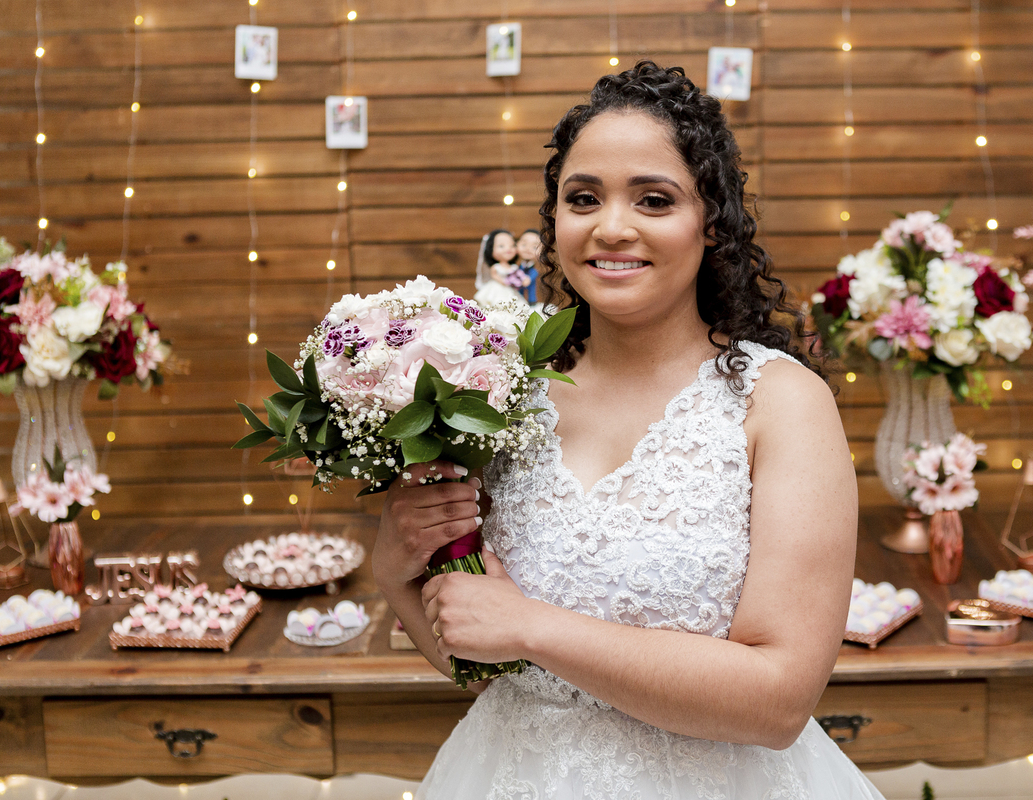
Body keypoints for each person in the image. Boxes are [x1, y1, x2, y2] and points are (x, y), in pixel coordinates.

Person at [372, 61, 882, 799]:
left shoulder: (780, 404)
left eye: (653, 198)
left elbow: (777, 701)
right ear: (557, 222)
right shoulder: (503, 393)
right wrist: (397, 573)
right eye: (584, 199)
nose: (612, 227)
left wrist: (532, 626)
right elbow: (488, 665)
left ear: (711, 222)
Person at [515, 228, 542, 305]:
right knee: (519, 293)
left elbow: (534, 274)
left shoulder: (533, 270)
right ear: (517, 244)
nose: (528, 249)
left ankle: (532, 301)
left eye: (534, 247)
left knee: (532, 290)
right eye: (524, 245)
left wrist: (529, 279)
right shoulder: (518, 266)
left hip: (529, 281)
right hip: (519, 284)